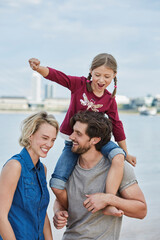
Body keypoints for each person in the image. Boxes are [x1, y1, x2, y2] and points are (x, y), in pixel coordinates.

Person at [28, 54, 136, 213]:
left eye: (107, 76)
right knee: (56, 184)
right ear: (91, 71)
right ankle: (70, 212)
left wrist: (126, 152)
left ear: (114, 76)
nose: (101, 80)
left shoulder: (109, 99)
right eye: (97, 75)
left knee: (119, 156)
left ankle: (108, 201)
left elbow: (117, 125)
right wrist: (38, 68)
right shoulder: (79, 84)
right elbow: (58, 77)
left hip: (98, 141)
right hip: (74, 141)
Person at [53, 111, 147, 240]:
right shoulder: (67, 167)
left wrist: (108, 199)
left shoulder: (118, 168)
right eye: (73, 131)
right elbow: (60, 200)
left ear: (95, 140)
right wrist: (58, 212)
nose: (71, 137)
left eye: (78, 134)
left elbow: (141, 211)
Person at [0, 111, 59, 240]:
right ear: (30, 135)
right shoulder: (14, 166)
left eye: (53, 140)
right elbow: (1, 216)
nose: (49, 144)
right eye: (44, 138)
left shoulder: (42, 170)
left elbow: (42, 214)